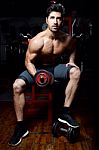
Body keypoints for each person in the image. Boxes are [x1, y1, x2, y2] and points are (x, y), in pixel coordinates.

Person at [8, 2, 81, 146]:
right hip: (37, 68)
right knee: (17, 86)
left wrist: (72, 61)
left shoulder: (66, 38)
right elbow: (28, 62)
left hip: (55, 68)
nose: (55, 21)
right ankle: (20, 127)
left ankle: (65, 113)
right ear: (46, 20)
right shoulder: (37, 41)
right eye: (52, 18)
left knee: (76, 72)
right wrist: (36, 75)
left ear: (62, 20)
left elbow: (73, 48)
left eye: (59, 18)